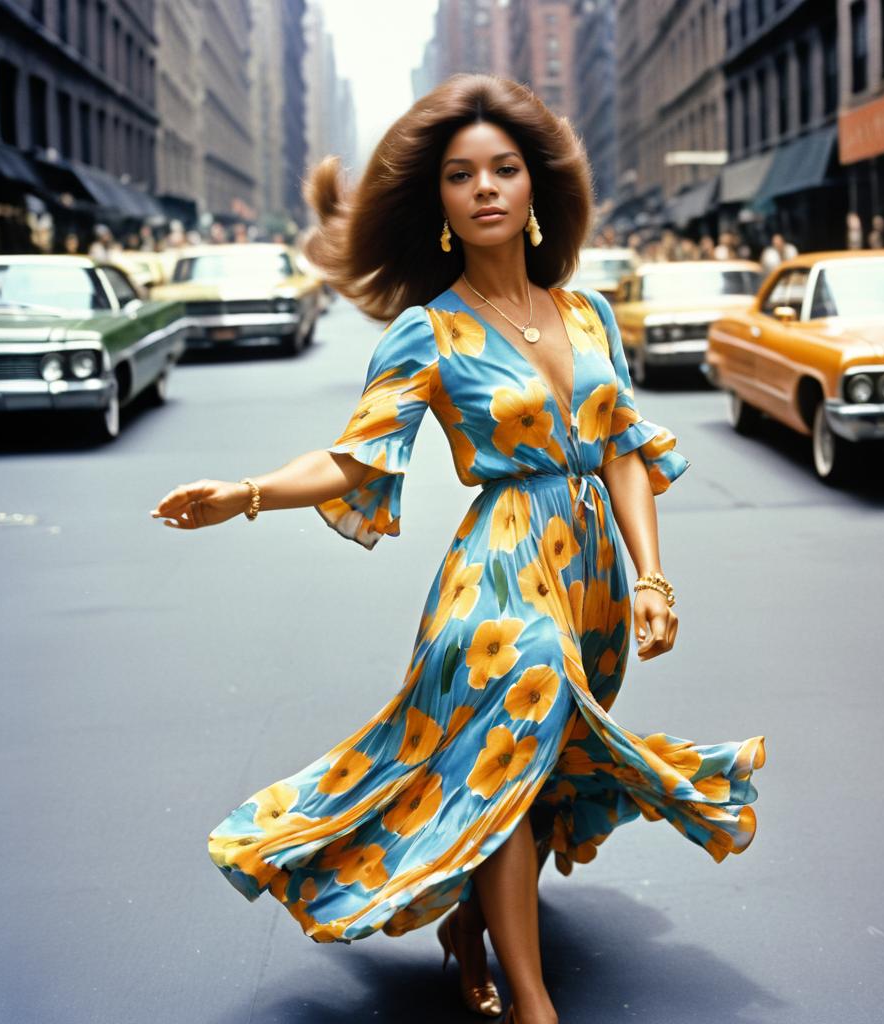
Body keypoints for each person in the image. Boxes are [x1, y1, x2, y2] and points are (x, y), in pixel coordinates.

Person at [150, 73, 766, 1024]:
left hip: (591, 578)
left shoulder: (591, 313)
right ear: (437, 203)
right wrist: (250, 494)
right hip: (500, 572)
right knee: (521, 700)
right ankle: (532, 1001)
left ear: (534, 192)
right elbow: (357, 458)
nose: (484, 187)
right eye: (460, 175)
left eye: (504, 169)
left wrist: (651, 576)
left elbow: (627, 453)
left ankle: (470, 928)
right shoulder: (425, 331)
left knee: (516, 767)